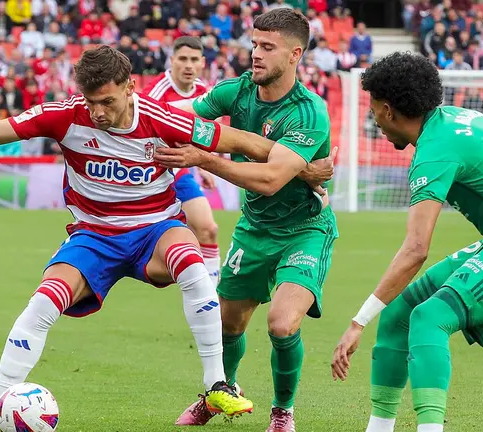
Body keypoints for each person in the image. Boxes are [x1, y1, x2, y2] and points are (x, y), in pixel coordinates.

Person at [0, 46, 311, 432]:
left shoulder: (163, 119)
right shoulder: (63, 115)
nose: (97, 112)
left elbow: (240, 142)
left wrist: (303, 163)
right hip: (94, 236)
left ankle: (216, 384)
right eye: (91, 102)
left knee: (191, 261)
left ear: (130, 87)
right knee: (41, 304)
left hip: (155, 231)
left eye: (107, 101)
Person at [330, 52, 483, 432]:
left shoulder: (433, 152)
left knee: (430, 317)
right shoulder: (462, 117)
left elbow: (416, 249)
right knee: (399, 313)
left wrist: (357, 322)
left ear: (389, 110)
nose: (374, 118)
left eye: (374, 108)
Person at [159, 8, 338, 431]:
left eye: (267, 47)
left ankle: (282, 412)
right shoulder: (235, 92)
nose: (255, 54)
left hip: (305, 229)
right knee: (228, 323)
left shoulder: (309, 111)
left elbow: (272, 179)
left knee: (281, 323)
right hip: (254, 228)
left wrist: (205, 157)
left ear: (295, 54)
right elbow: (181, 115)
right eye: (254, 44)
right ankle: (223, 391)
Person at [141, 36, 222, 285]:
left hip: (178, 171)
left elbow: (213, 128)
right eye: (183, 59)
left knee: (208, 229)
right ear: (172, 60)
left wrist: (207, 162)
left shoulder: (204, 92)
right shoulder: (155, 93)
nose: (188, 65)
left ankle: (213, 293)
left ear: (202, 63)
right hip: (148, 173)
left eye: (194, 60)